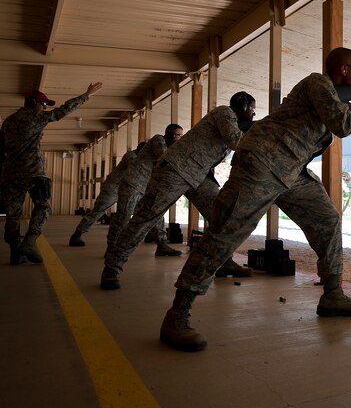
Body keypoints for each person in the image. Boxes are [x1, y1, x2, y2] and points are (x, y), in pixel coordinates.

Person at [158, 47, 351, 352]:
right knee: (225, 233)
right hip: (263, 163)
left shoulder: (335, 100)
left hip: (291, 171)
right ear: (344, 71)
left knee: (327, 219)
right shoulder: (317, 83)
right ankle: (177, 316)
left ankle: (332, 294)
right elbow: (344, 124)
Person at [99, 92, 257, 290]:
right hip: (175, 169)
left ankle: (223, 263)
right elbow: (236, 141)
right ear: (242, 107)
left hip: (197, 177)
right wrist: (260, 130)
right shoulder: (224, 113)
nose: (253, 114)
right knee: (144, 219)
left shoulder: (233, 123)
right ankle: (112, 267)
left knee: (223, 215)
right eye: (252, 109)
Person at [0, 83, 103, 264]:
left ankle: (15, 253)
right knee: (43, 207)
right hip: (33, 173)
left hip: (10, 175)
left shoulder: (8, 122)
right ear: (34, 103)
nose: (45, 108)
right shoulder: (36, 118)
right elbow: (62, 111)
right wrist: (86, 95)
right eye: (43, 104)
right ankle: (28, 243)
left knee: (12, 215)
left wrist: (4, 175)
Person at [103, 123, 184, 262]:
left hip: (145, 186)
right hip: (133, 184)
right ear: (169, 133)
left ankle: (162, 245)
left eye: (181, 136)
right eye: (177, 135)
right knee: (123, 216)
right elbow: (164, 157)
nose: (179, 138)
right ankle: (111, 247)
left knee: (156, 214)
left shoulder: (169, 147)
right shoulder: (159, 140)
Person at [68, 142, 165, 247]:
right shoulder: (131, 156)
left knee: (149, 211)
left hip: (131, 190)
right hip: (114, 189)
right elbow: (137, 169)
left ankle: (159, 241)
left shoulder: (142, 159)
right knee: (98, 211)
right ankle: (77, 234)